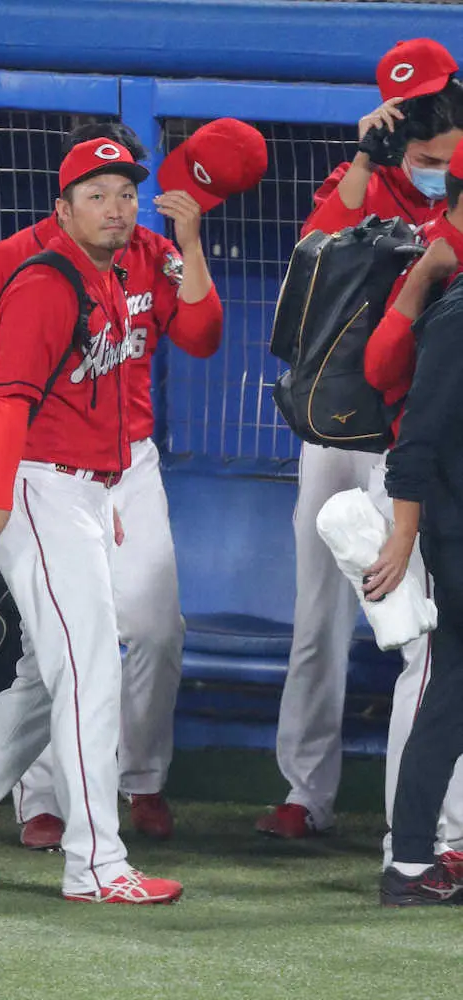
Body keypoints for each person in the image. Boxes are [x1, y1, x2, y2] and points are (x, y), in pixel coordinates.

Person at [0, 117, 266, 871]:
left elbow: (200, 335)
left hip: (121, 471)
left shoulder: (142, 257)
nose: (117, 204)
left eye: (126, 189)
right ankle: (90, 854)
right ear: (64, 204)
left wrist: (191, 243)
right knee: (84, 659)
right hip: (45, 478)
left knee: (72, 657)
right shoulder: (31, 268)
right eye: (97, 191)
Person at [256, 37, 463, 840]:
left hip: (409, 439)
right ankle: (305, 793)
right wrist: (361, 161)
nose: (434, 163)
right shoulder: (369, 179)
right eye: (419, 150)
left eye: (444, 151)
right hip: (339, 428)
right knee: (318, 621)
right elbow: (317, 250)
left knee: (423, 636)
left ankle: (425, 833)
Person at [364, 141, 463, 870]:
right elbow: (415, 443)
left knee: (448, 700)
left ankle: (416, 858)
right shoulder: (455, 312)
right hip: (451, 530)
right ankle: (411, 859)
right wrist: (404, 539)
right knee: (444, 697)